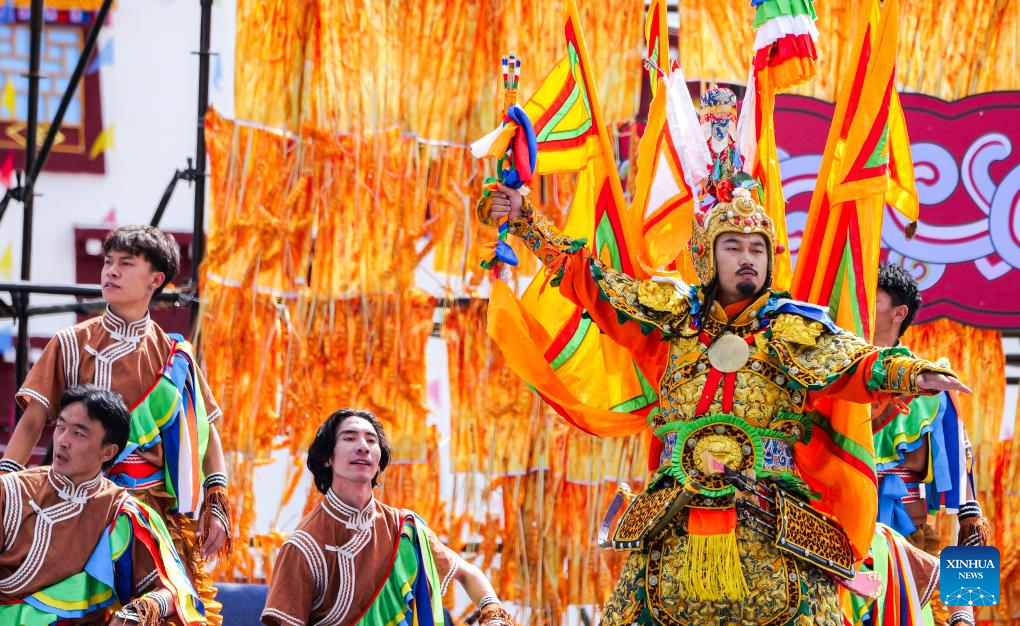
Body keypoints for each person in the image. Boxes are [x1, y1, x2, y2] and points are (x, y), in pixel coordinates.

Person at [485, 87, 969, 625]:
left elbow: (852, 361)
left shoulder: (790, 325)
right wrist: (528, 223)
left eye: (757, 248)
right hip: (672, 524)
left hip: (772, 526)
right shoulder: (671, 317)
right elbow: (596, 285)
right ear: (708, 256)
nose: (747, 259)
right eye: (733, 247)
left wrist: (910, 373)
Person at [1, 225, 230, 624]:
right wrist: (8, 490)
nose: (111, 271)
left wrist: (218, 500)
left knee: (172, 607)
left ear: (156, 280)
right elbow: (32, 422)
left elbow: (207, 436)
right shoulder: (71, 343)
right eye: (108, 262)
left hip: (152, 513)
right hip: (76, 508)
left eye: (126, 264)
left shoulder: (175, 357)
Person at [261, 408, 516, 626]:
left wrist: (493, 612)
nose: (363, 446)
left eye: (371, 441)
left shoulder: (404, 529)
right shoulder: (304, 545)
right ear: (327, 458)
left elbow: (468, 573)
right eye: (349, 438)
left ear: (379, 459)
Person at [0, 384, 205, 625]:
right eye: (60, 427)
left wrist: (136, 612)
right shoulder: (10, 492)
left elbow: (175, 590)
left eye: (78, 433)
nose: (63, 441)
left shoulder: (120, 512)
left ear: (108, 452)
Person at [868, 262, 987, 626]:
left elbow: (968, 512)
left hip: (911, 545)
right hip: (835, 532)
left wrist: (965, 611)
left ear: (898, 313)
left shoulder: (933, 386)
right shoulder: (824, 377)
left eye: (869, 299)